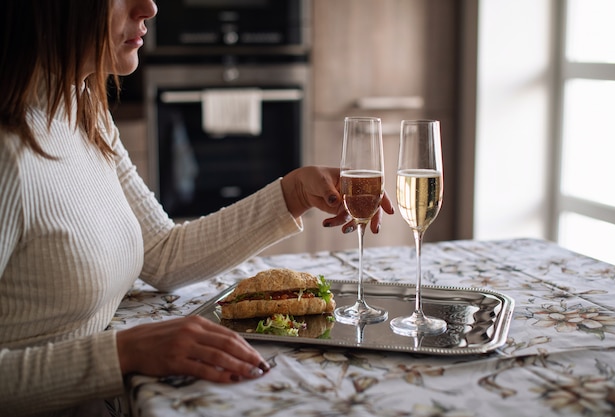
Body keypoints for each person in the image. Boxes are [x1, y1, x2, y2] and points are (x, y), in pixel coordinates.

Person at [0, 0, 394, 416]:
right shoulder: (8, 152)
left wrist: (293, 193)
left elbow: (163, 252)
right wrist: (119, 354)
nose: (148, 6)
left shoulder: (83, 110)